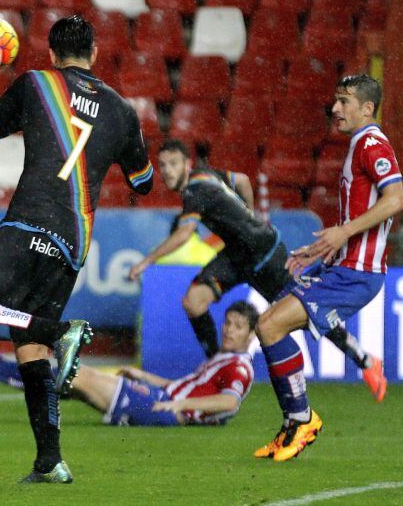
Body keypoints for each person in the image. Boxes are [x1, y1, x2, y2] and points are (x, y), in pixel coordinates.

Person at [0, 15, 153, 483]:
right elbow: (144, 183)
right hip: (74, 241)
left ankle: (60, 332)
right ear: (94, 54)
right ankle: (49, 460)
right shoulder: (122, 109)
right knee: (29, 347)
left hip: (29, 221)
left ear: (52, 54)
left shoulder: (36, 83)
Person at [128, 140, 386, 401]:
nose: (168, 171)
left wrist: (146, 261)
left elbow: (184, 233)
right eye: (163, 165)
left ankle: (365, 359)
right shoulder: (208, 175)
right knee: (194, 302)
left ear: (187, 164)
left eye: (173, 164)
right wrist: (249, 212)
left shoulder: (195, 191)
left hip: (264, 254)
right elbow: (242, 181)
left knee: (305, 312)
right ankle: (220, 368)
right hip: (238, 253)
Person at [253, 74, 403, 462]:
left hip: (359, 272)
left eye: (345, 101)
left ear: (367, 108)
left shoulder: (372, 143)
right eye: (336, 101)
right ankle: (300, 417)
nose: (336, 109)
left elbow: (396, 200)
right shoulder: (359, 145)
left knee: (271, 325)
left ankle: (301, 419)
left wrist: (343, 234)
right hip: (342, 266)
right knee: (271, 321)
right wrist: (321, 251)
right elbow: (353, 219)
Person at [0, 301, 258, 427]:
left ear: (251, 333)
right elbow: (187, 390)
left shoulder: (240, 367)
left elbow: (229, 403)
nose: (229, 330)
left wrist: (178, 406)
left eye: (238, 327)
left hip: (164, 410)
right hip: (162, 399)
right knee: (70, 381)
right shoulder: (225, 357)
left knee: (75, 377)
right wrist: (143, 375)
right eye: (228, 323)